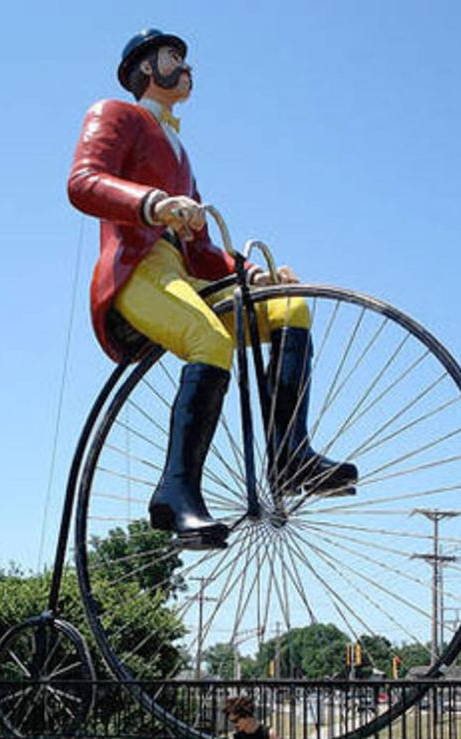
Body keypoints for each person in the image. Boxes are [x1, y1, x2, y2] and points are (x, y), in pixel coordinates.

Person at [68, 28, 358, 550]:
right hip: (138, 273)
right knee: (209, 339)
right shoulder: (114, 113)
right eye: (172, 56)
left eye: (184, 58)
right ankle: (174, 492)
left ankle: (289, 453)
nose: (185, 65)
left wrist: (248, 273)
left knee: (290, 307)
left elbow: (200, 249)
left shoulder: (181, 153)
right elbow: (83, 182)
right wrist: (153, 204)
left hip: (183, 273)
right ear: (144, 69)